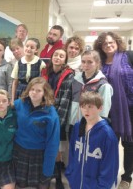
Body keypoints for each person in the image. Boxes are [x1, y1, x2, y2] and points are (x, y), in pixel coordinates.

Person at [93, 32, 133, 189]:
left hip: (129, 108)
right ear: (100, 47)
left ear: (117, 42)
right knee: (109, 143)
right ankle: (109, 174)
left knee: (129, 144)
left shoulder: (128, 56)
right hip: (107, 110)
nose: (108, 46)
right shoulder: (99, 62)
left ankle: (126, 177)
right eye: (104, 44)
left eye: (111, 42)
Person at [65, 91, 119, 189]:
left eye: (90, 107)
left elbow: (110, 166)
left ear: (100, 108)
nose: (86, 110)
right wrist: (70, 174)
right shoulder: (78, 127)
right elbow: (72, 153)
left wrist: (102, 186)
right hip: (76, 183)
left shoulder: (107, 135)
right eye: (83, 106)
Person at [13, 77, 60, 189]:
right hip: (19, 152)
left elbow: (52, 144)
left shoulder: (51, 114)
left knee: (42, 185)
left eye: (39, 90)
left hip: (39, 155)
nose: (34, 93)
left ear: (45, 93)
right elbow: (1, 110)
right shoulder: (19, 104)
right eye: (32, 89)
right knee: (21, 185)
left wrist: (47, 170)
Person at [41, 48, 74, 189]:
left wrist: (57, 121)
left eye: (61, 56)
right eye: (56, 55)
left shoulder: (69, 75)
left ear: (65, 60)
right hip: (44, 113)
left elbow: (66, 99)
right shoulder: (45, 72)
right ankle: (45, 176)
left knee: (56, 149)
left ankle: (58, 177)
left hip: (58, 115)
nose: (58, 58)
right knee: (43, 145)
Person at [68, 50, 113, 136]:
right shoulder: (75, 79)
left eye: (90, 62)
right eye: (83, 61)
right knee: (74, 148)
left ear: (97, 63)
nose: (85, 65)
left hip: (91, 125)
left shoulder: (103, 85)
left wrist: (98, 127)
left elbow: (104, 110)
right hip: (73, 124)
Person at [11, 38, 45, 102]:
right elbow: (15, 83)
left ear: (36, 50)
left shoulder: (41, 63)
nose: (29, 49)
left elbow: (43, 82)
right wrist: (12, 99)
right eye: (27, 46)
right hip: (20, 92)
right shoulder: (18, 63)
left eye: (32, 47)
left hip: (34, 92)